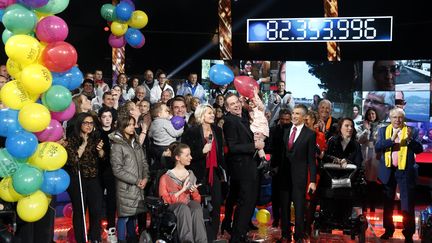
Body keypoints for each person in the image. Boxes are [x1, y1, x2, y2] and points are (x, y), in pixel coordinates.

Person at [375, 108, 423, 243]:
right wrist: (391, 139)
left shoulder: (412, 131)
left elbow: (419, 150)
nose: (397, 120)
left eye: (400, 117)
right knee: (387, 202)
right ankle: (388, 230)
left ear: (404, 119)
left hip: (405, 171)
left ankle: (408, 234)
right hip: (388, 170)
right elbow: (378, 147)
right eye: (395, 117)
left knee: (407, 203)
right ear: (390, 118)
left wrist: (409, 140)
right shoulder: (383, 130)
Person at [181, 104, 226, 242]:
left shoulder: (217, 130)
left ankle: (212, 236)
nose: (212, 115)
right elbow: (185, 155)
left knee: (217, 204)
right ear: (201, 115)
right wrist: (202, 151)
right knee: (198, 205)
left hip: (215, 173)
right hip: (198, 173)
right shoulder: (192, 132)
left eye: (212, 113)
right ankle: (198, 235)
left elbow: (221, 154)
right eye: (209, 113)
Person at [223, 94, 264, 242]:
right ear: (227, 108)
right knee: (245, 203)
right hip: (242, 169)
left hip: (251, 167)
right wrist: (254, 146)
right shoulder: (229, 121)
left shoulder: (244, 117)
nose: (236, 105)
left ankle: (240, 235)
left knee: (248, 203)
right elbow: (233, 147)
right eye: (232, 104)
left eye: (237, 102)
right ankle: (236, 237)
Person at [64, 112, 105, 243]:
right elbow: (73, 160)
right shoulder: (72, 139)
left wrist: (100, 150)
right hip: (78, 179)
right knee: (80, 210)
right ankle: (81, 238)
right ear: (80, 124)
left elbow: (103, 158)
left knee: (96, 209)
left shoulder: (96, 137)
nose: (89, 126)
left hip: (93, 178)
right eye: (86, 123)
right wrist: (83, 144)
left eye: (91, 123)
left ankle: (95, 238)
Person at [279, 104, 316, 242]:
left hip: (299, 178)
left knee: (299, 208)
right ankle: (285, 234)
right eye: (293, 113)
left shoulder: (310, 134)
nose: (294, 116)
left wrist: (312, 180)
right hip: (284, 176)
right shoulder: (285, 130)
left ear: (305, 117)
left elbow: (311, 160)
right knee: (284, 206)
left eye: (297, 114)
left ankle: (299, 235)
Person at [110, 115, 150, 243]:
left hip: (138, 186)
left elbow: (143, 162)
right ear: (123, 126)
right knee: (125, 216)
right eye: (131, 125)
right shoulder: (117, 145)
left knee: (133, 216)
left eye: (134, 124)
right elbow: (117, 169)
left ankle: (132, 238)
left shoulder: (135, 142)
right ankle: (121, 239)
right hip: (126, 187)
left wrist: (145, 178)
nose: (134, 127)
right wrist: (136, 180)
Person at [158, 143, 208, 243]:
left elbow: (197, 199)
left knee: (196, 206)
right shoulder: (165, 177)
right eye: (187, 155)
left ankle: (201, 241)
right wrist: (182, 190)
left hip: (186, 203)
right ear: (177, 157)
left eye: (190, 154)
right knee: (183, 208)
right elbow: (164, 200)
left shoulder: (190, 175)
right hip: (173, 205)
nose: (191, 157)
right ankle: (187, 241)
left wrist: (193, 191)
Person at [266, 109, 292, 228]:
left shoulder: (294, 130)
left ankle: (286, 219)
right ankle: (276, 219)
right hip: (276, 167)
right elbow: (269, 147)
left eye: (288, 119)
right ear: (279, 119)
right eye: (283, 119)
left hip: (289, 168)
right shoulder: (273, 130)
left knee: (288, 196)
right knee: (275, 195)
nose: (286, 121)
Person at [97, 107, 117, 242]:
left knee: (112, 202)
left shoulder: (116, 134)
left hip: (112, 172)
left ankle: (111, 230)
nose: (107, 119)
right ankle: (95, 230)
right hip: (97, 172)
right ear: (100, 119)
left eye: (109, 116)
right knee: (96, 203)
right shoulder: (96, 133)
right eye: (104, 116)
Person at [357, 108, 382, 213]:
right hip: (365, 156)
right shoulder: (361, 126)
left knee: (374, 183)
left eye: (373, 113)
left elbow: (381, 141)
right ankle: (364, 206)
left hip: (376, 156)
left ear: (376, 115)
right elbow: (360, 140)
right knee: (364, 183)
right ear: (366, 115)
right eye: (369, 114)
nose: (371, 115)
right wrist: (367, 130)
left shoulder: (381, 127)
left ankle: (373, 206)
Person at [148, 103, 184, 170]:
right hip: (169, 147)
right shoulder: (165, 122)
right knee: (169, 165)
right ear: (159, 114)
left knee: (160, 165)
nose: (168, 112)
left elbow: (150, 134)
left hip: (158, 147)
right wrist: (182, 128)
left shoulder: (153, 123)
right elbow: (175, 134)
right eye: (166, 111)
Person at [247, 89, 270, 166]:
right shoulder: (250, 110)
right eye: (249, 101)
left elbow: (258, 102)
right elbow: (244, 105)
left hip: (261, 130)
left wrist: (255, 94)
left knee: (258, 144)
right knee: (259, 146)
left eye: (252, 101)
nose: (251, 102)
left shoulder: (260, 108)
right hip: (256, 130)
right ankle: (263, 160)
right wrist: (242, 98)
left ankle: (263, 161)